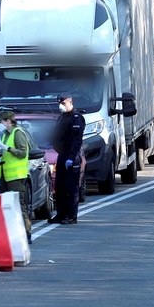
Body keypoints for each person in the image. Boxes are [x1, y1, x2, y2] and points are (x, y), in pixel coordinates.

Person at [0, 110, 32, 243]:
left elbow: (23, 153)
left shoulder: (18, 133)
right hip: (5, 175)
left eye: (1, 121)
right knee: (6, 205)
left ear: (8, 121)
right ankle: (12, 233)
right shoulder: (5, 134)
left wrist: (8, 149)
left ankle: (26, 233)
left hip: (16, 176)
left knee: (19, 204)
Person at [49, 92, 85, 225]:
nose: (61, 106)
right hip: (62, 155)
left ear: (70, 102)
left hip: (72, 157)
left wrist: (72, 157)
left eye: (63, 103)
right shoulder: (62, 117)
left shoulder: (77, 118)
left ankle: (71, 216)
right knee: (59, 187)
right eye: (59, 103)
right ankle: (61, 214)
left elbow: (77, 140)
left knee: (71, 188)